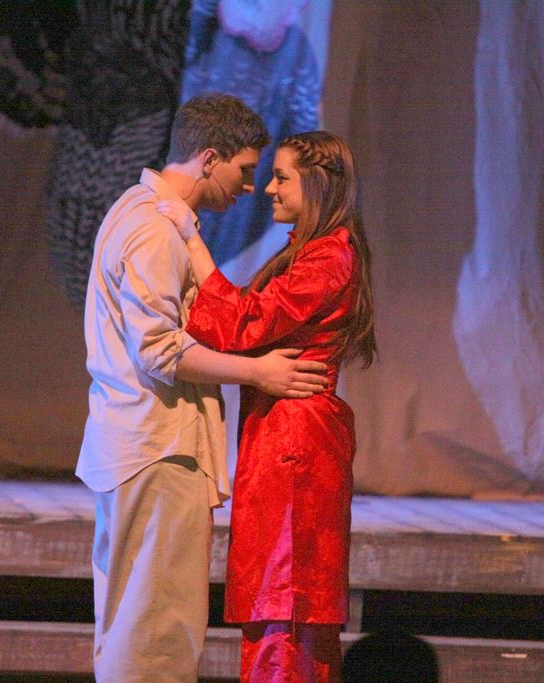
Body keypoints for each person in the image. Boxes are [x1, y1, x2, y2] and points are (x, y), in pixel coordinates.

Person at [76, 94, 329, 683]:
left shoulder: (141, 213)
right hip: (158, 448)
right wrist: (257, 372)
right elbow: (159, 349)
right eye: (245, 170)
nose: (250, 187)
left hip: (141, 444)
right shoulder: (153, 230)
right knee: (157, 629)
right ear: (209, 158)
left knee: (136, 622)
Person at [159, 130, 377, 682]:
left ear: (317, 184)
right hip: (284, 431)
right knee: (278, 599)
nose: (270, 189)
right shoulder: (311, 250)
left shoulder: (329, 256)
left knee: (286, 600)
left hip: (296, 440)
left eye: (282, 177)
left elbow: (244, 323)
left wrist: (191, 240)